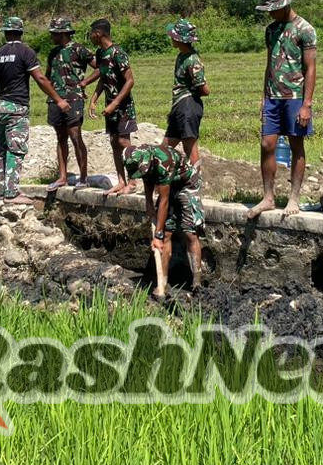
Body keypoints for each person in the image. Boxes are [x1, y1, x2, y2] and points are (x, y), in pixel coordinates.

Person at [248, 0, 317, 220]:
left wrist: (307, 104)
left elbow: (310, 68)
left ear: (285, 5)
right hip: (273, 97)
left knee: (296, 145)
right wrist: (263, 96)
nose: (270, 13)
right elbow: (270, 64)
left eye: (273, 9)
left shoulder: (305, 29)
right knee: (267, 145)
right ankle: (268, 197)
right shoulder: (271, 30)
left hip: (295, 97)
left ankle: (294, 197)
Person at [0, 16, 68, 201]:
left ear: (6, 33)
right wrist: (59, 100)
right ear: (21, 32)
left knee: (1, 149)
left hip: (0, 106)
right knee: (16, 149)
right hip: (17, 107)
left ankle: (1, 190)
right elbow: (40, 78)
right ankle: (12, 192)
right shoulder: (26, 52)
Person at [123, 143, 204, 298]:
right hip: (168, 184)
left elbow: (164, 201)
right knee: (167, 234)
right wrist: (148, 202)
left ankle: (197, 284)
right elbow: (148, 178)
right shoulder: (141, 158)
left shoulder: (163, 161)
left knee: (190, 233)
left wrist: (157, 235)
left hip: (187, 183)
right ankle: (162, 284)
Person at [83, 18, 138, 195]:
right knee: (114, 143)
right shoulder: (101, 54)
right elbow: (103, 76)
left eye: (92, 33)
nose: (90, 37)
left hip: (123, 106)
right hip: (110, 106)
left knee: (124, 141)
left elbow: (130, 81)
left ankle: (133, 181)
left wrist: (115, 103)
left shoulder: (118, 53)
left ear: (98, 34)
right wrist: (94, 98)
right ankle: (121, 181)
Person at [45, 17, 95, 190]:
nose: (52, 36)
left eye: (55, 33)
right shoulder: (52, 53)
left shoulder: (79, 49)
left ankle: (83, 177)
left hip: (74, 99)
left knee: (75, 136)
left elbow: (101, 67)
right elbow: (48, 77)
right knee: (60, 138)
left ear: (63, 33)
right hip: (56, 101)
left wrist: (84, 83)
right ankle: (62, 177)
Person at [164, 19, 208, 166]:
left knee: (190, 147)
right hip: (180, 105)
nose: (171, 38)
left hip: (188, 106)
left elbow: (203, 88)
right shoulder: (181, 56)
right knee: (164, 148)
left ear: (180, 39)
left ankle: (196, 181)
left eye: (173, 36)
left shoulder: (192, 59)